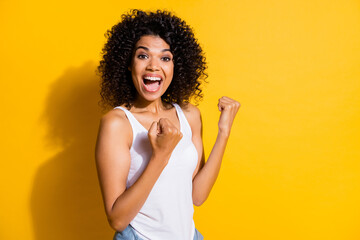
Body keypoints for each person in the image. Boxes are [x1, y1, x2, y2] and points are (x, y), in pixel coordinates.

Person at [95, 9, 240, 240]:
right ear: (128, 64)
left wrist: (224, 132)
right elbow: (117, 219)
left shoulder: (190, 115)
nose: (153, 66)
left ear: (176, 66)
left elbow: (198, 195)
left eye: (165, 57)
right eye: (143, 56)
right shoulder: (118, 124)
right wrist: (160, 155)